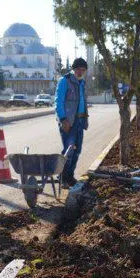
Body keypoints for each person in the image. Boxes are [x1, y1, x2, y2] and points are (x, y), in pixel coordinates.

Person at [55, 57, 88, 187]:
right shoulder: (65, 81)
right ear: (73, 69)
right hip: (68, 122)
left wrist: (85, 120)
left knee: (77, 150)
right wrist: (63, 119)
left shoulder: (82, 83)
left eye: (83, 70)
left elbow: (83, 103)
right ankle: (62, 177)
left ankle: (69, 176)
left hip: (80, 121)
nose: (80, 72)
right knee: (69, 151)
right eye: (78, 69)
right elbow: (58, 101)